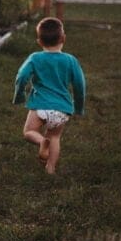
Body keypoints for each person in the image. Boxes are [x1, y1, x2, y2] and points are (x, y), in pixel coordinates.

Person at [13, 17, 86, 174]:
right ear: (63, 38)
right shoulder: (71, 60)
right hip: (62, 109)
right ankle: (51, 168)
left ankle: (41, 141)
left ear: (39, 41)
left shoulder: (35, 58)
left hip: (40, 105)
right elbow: (80, 85)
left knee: (28, 132)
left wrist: (19, 95)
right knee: (55, 138)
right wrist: (78, 107)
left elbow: (21, 76)